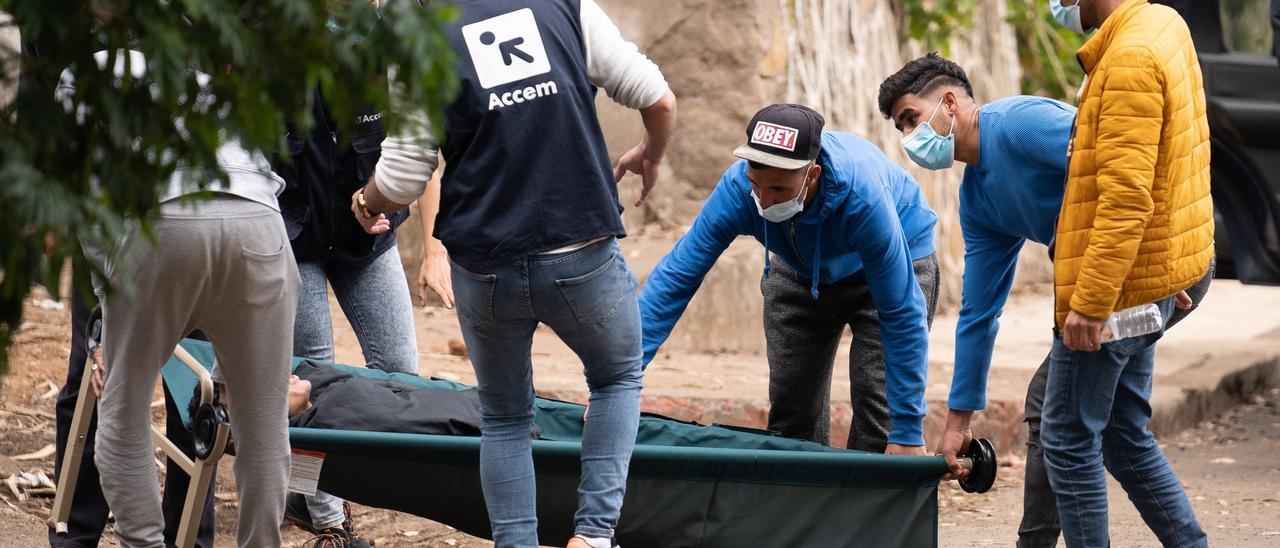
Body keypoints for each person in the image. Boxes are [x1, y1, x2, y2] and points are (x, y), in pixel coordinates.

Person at [353, 1, 677, 547]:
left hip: (485, 264)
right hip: (582, 248)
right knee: (616, 377)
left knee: (504, 416)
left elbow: (406, 174)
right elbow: (658, 97)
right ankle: (594, 535)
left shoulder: (414, 30)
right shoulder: (565, 5)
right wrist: (653, 151)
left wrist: (365, 202)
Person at [878, 52, 1213, 548]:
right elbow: (978, 313)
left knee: (1063, 427)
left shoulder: (1019, 126)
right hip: (1119, 287)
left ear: (949, 102)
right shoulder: (978, 199)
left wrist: (1159, 257)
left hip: (1152, 273)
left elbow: (1126, 164)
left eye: (911, 118)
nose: (909, 138)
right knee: (1120, 434)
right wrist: (958, 422)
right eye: (900, 128)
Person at [67, 49, 299, 547]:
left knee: (123, 408)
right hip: (260, 225)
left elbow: (85, 202)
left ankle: (145, 543)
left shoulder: (80, 77)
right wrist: (230, 375)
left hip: (164, 220)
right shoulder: (207, 79)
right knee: (263, 424)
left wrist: (103, 330)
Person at [640, 103, 938, 455]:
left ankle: (871, 505)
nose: (764, 202)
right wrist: (620, 380)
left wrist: (906, 432)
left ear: (811, 175)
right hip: (799, 267)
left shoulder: (863, 199)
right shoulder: (738, 190)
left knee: (880, 409)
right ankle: (801, 505)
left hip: (892, 264)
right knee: (792, 410)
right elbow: (677, 275)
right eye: (756, 185)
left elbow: (901, 312)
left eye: (779, 190)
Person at [1040, 1, 1213, 546]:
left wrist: (1089, 305)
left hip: (1117, 289)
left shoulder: (1130, 58)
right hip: (1151, 276)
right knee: (1121, 433)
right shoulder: (1163, 23)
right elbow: (1177, 164)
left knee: (1067, 437)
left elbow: (1125, 199)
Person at [273, 83, 413, 548]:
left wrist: (425, 241)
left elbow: (418, 149)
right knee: (313, 379)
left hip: (366, 235)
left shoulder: (384, 52)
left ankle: (302, 489)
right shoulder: (279, 53)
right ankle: (330, 523)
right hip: (295, 240)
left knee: (402, 373)